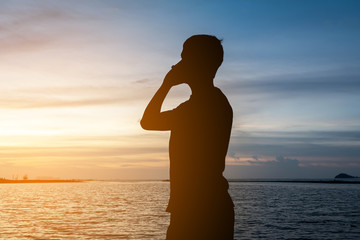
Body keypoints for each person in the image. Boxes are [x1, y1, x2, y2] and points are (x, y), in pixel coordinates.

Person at [141, 34, 234, 240]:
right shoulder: (204, 104)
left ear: (196, 64)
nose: (176, 64)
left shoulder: (199, 107)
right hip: (200, 206)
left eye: (183, 58)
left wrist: (166, 85)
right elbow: (148, 122)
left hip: (199, 210)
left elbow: (147, 121)